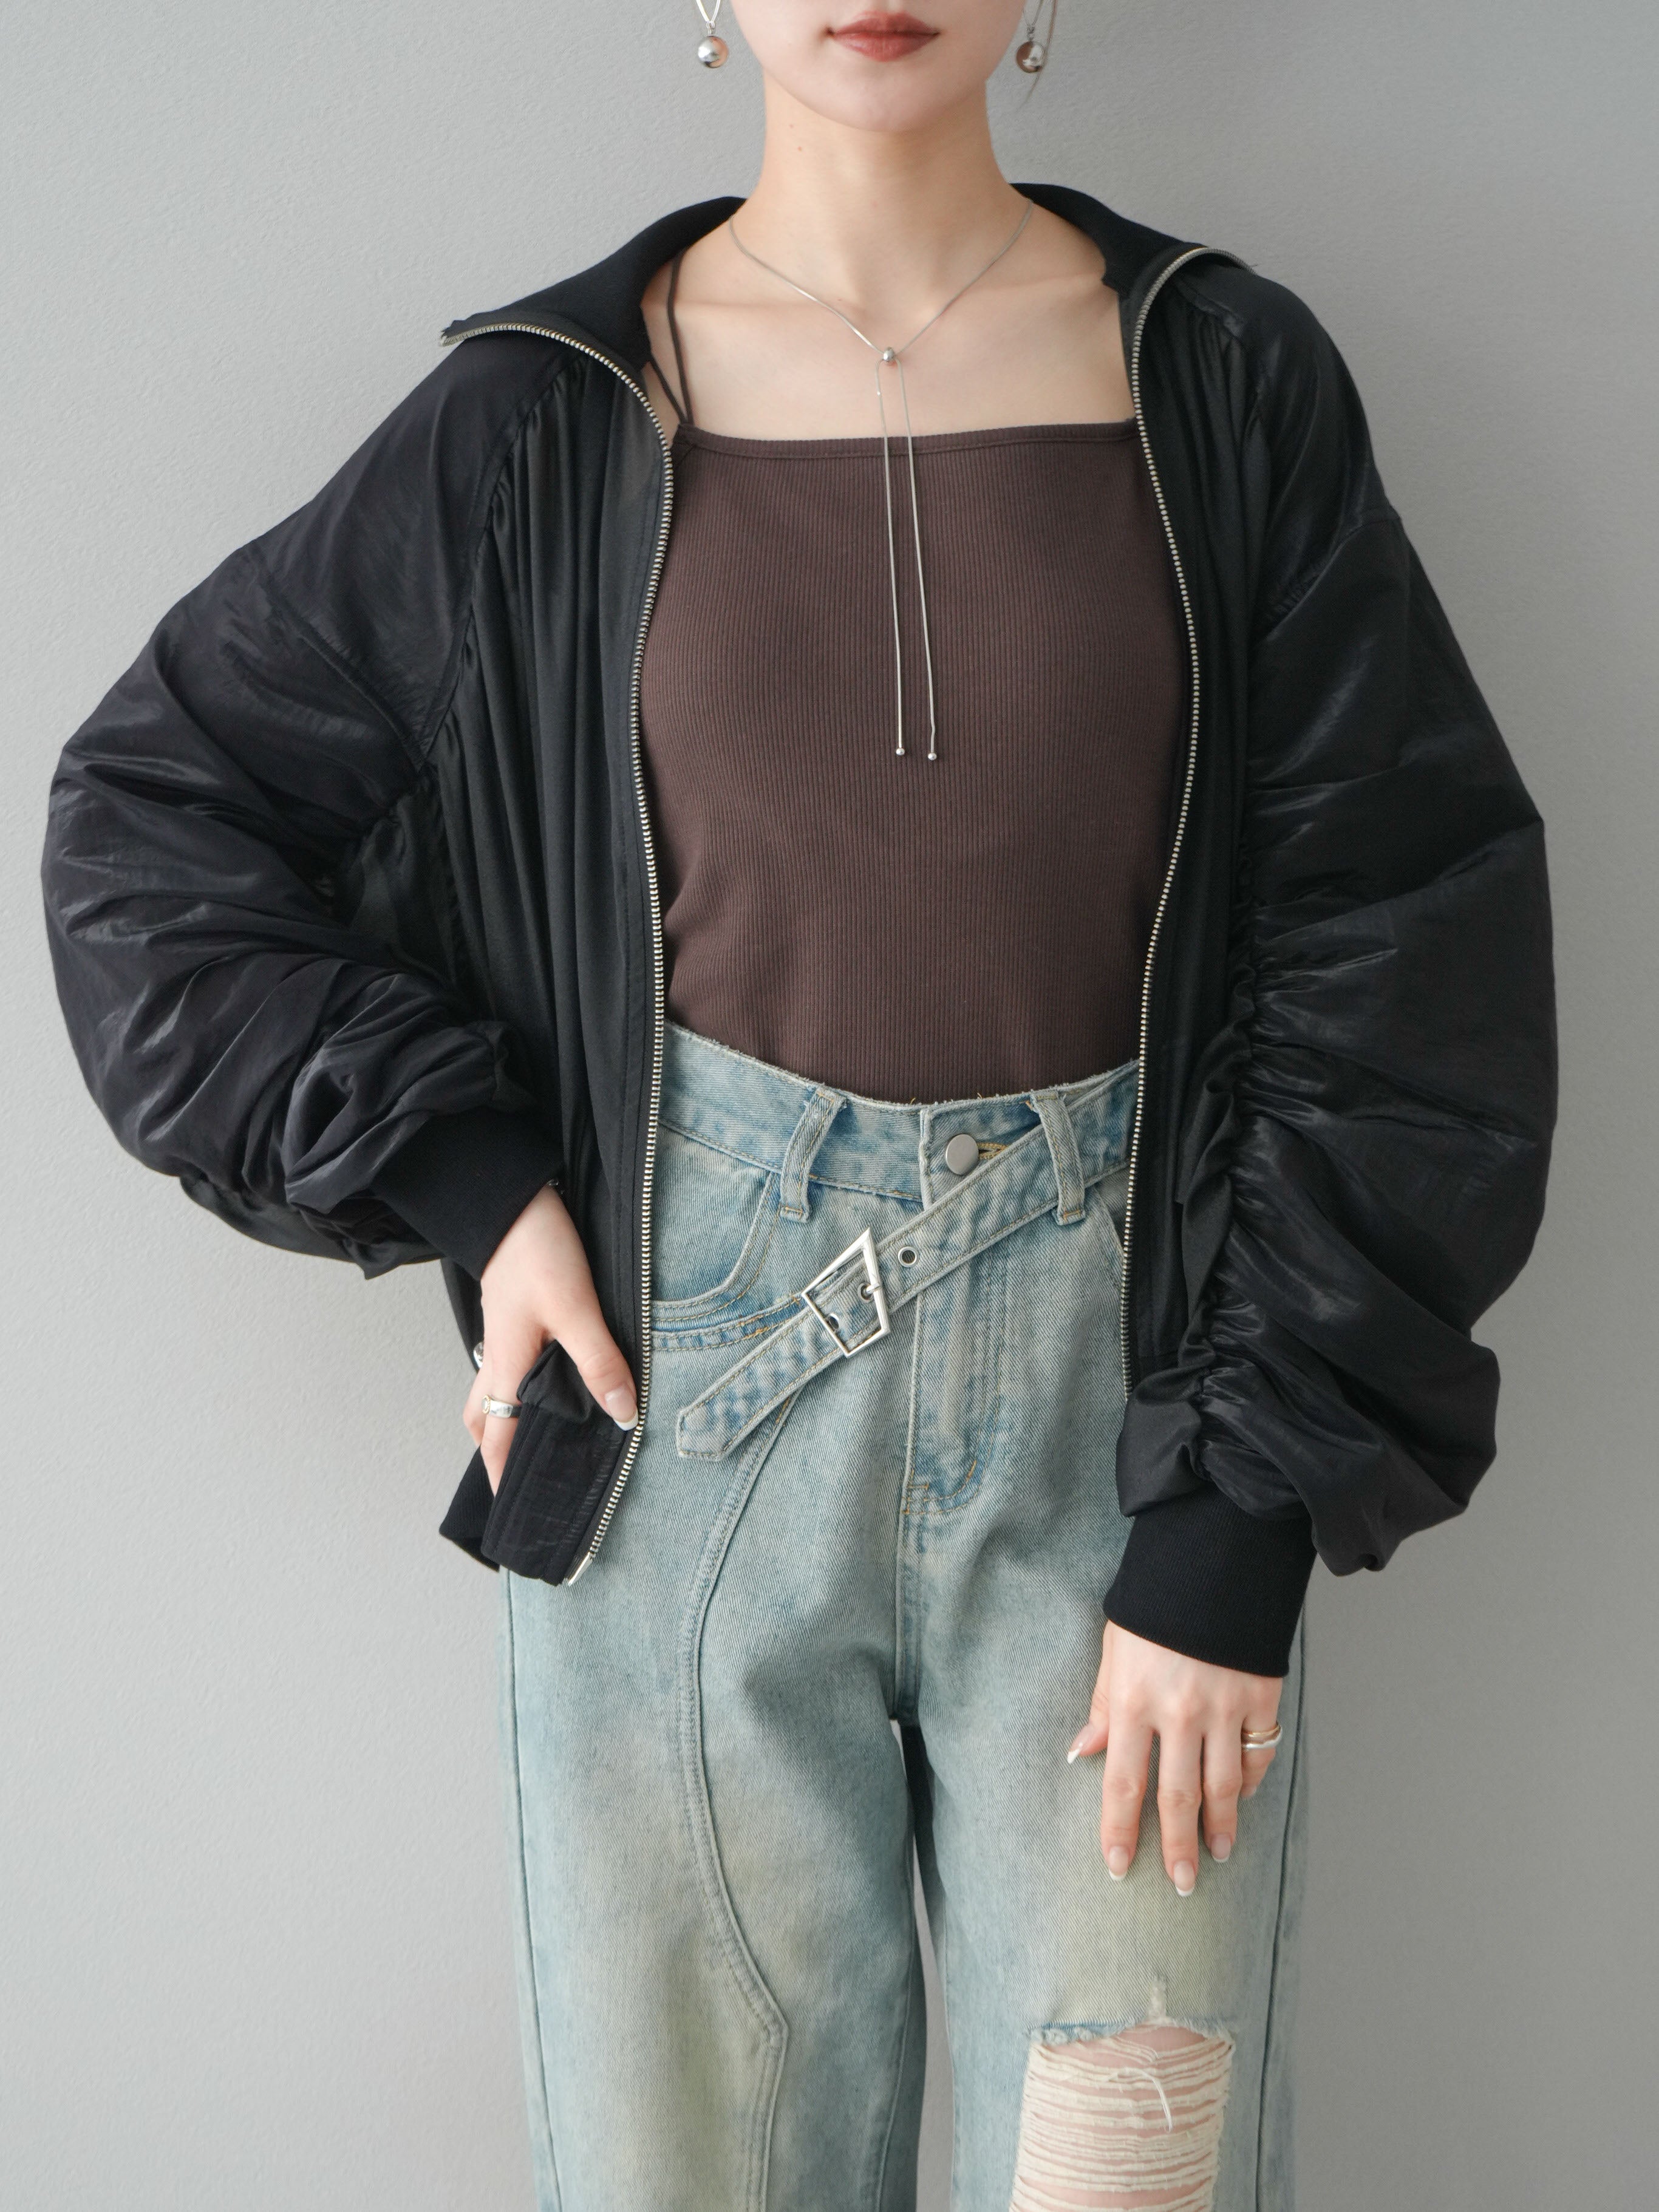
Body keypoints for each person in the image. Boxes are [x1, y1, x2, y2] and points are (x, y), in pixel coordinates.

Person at [39, 4, 1556, 2205]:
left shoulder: (1221, 383)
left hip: (1139, 1444)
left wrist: (1243, 1516)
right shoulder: (543, 419)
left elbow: (1401, 929)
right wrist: (479, 1185)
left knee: (1127, 2169)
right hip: (667, 1441)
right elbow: (157, 823)